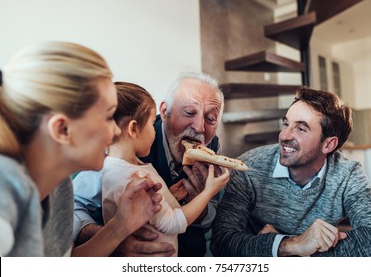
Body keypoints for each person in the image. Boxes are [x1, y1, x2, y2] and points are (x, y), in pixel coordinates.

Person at [0, 41, 162, 257]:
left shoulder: (62, 186)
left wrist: (120, 226)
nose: (115, 132)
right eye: (108, 116)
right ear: (62, 128)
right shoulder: (5, 192)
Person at [211, 86, 371, 257]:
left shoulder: (348, 174)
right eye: (286, 124)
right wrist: (292, 245)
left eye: (300, 128)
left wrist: (293, 255)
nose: (284, 136)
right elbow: (222, 242)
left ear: (328, 144)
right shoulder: (248, 168)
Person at [73, 71, 225, 256]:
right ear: (164, 111)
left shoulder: (213, 147)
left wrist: (197, 202)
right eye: (189, 112)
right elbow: (73, 204)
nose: (200, 127)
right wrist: (111, 239)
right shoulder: (127, 144)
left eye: (210, 119)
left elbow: (213, 217)